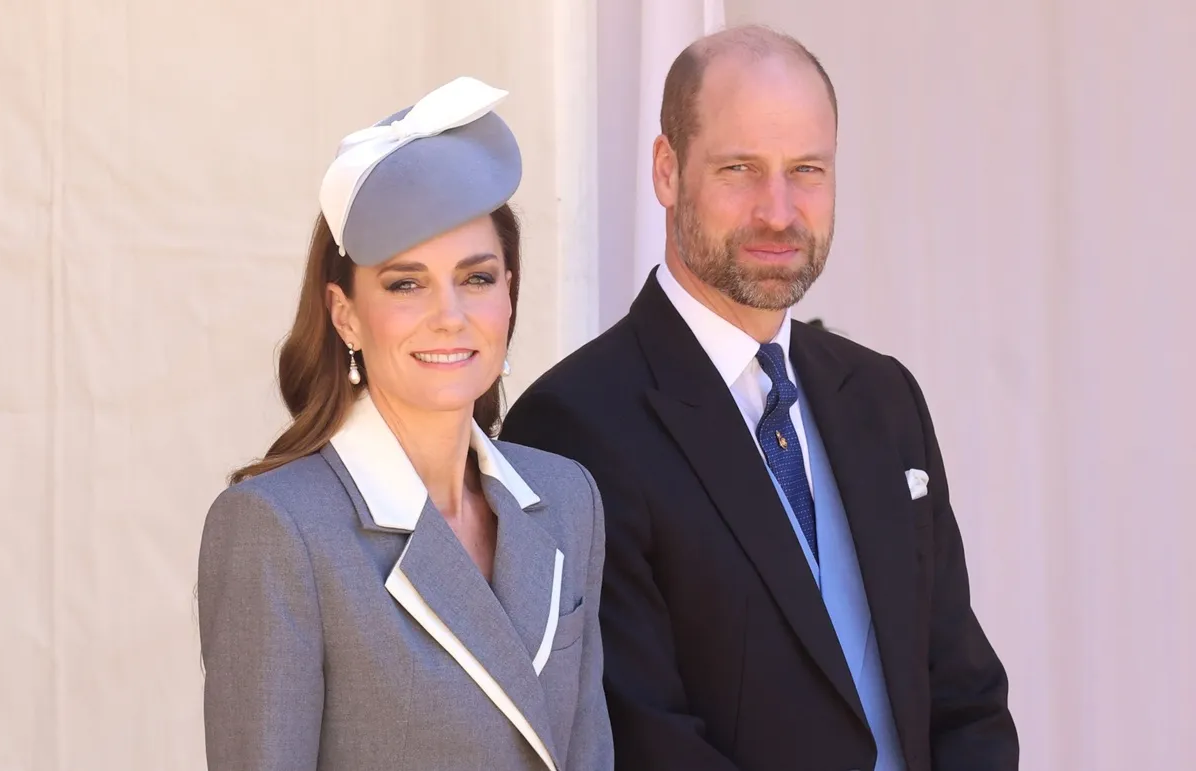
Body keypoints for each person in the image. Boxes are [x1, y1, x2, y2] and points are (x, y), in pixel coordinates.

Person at [500, 26, 1017, 771]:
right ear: (668, 171)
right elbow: (644, 737)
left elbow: (966, 694)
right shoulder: (573, 425)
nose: (778, 211)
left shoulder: (884, 397)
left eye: (806, 169)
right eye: (740, 168)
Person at [197, 76, 613, 771]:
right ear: (345, 313)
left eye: (477, 277)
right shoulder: (275, 529)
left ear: (511, 291)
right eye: (405, 282)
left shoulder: (569, 499)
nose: (450, 314)